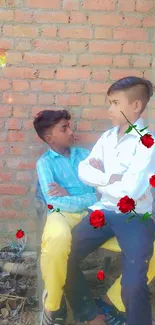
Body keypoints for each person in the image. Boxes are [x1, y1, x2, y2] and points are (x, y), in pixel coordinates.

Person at [61, 76, 155, 325]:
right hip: (102, 211)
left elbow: (131, 192)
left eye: (115, 102)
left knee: (134, 284)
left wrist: (100, 178)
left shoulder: (148, 143)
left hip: (135, 217)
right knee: (62, 256)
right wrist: (111, 177)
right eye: (109, 103)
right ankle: (90, 315)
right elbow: (83, 170)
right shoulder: (107, 138)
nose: (109, 109)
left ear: (136, 106)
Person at [33, 110, 102, 325]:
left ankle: (114, 303)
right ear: (49, 138)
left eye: (69, 126)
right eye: (64, 128)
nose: (71, 131)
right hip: (60, 215)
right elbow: (55, 203)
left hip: (94, 214)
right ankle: (53, 305)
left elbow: (102, 193)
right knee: (55, 241)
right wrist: (87, 197)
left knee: (147, 246)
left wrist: (71, 194)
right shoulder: (44, 163)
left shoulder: (85, 155)